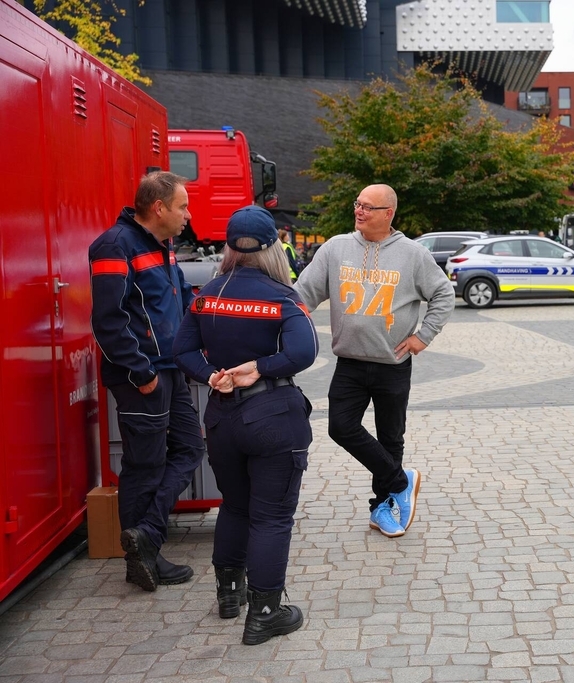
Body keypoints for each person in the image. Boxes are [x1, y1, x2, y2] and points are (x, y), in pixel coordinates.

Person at [173, 206, 318, 645]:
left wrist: (211, 375)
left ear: (230, 246)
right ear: (274, 246)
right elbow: (304, 352)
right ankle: (266, 614)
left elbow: (182, 350)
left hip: (222, 417)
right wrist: (261, 366)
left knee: (234, 506)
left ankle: (229, 596)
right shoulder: (282, 296)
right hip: (272, 416)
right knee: (272, 518)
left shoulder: (207, 292)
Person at [295, 184, 454, 538]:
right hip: (349, 363)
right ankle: (402, 481)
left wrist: (423, 336)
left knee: (390, 438)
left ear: (389, 214)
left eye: (369, 207)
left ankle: (382, 506)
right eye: (358, 204)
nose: (360, 211)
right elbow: (303, 295)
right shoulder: (336, 248)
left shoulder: (412, 254)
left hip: (393, 362)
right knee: (340, 427)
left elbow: (443, 292)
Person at [88, 171, 205, 592]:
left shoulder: (163, 245)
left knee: (191, 447)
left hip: (169, 369)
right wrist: (141, 373)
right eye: (182, 206)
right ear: (159, 208)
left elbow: (175, 300)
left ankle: (147, 536)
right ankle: (142, 561)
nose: (187, 215)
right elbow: (108, 321)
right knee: (145, 464)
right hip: (142, 376)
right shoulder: (113, 246)